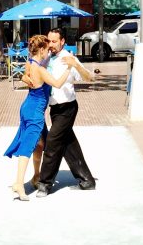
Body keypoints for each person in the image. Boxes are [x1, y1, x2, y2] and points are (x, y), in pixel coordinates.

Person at [3, 34, 74, 201]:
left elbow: (24, 74)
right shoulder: (40, 70)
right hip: (35, 112)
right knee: (28, 146)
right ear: (41, 49)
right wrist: (70, 68)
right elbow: (57, 83)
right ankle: (19, 184)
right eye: (47, 50)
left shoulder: (30, 63)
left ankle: (36, 176)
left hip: (27, 107)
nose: (49, 52)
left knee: (40, 144)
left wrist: (24, 77)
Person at [34, 28, 97, 197]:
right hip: (54, 108)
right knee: (68, 144)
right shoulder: (46, 58)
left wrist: (75, 65)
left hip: (67, 107)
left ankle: (45, 183)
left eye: (54, 41)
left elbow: (89, 78)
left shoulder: (69, 58)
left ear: (62, 41)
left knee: (53, 142)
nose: (51, 44)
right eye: (49, 41)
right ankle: (87, 180)